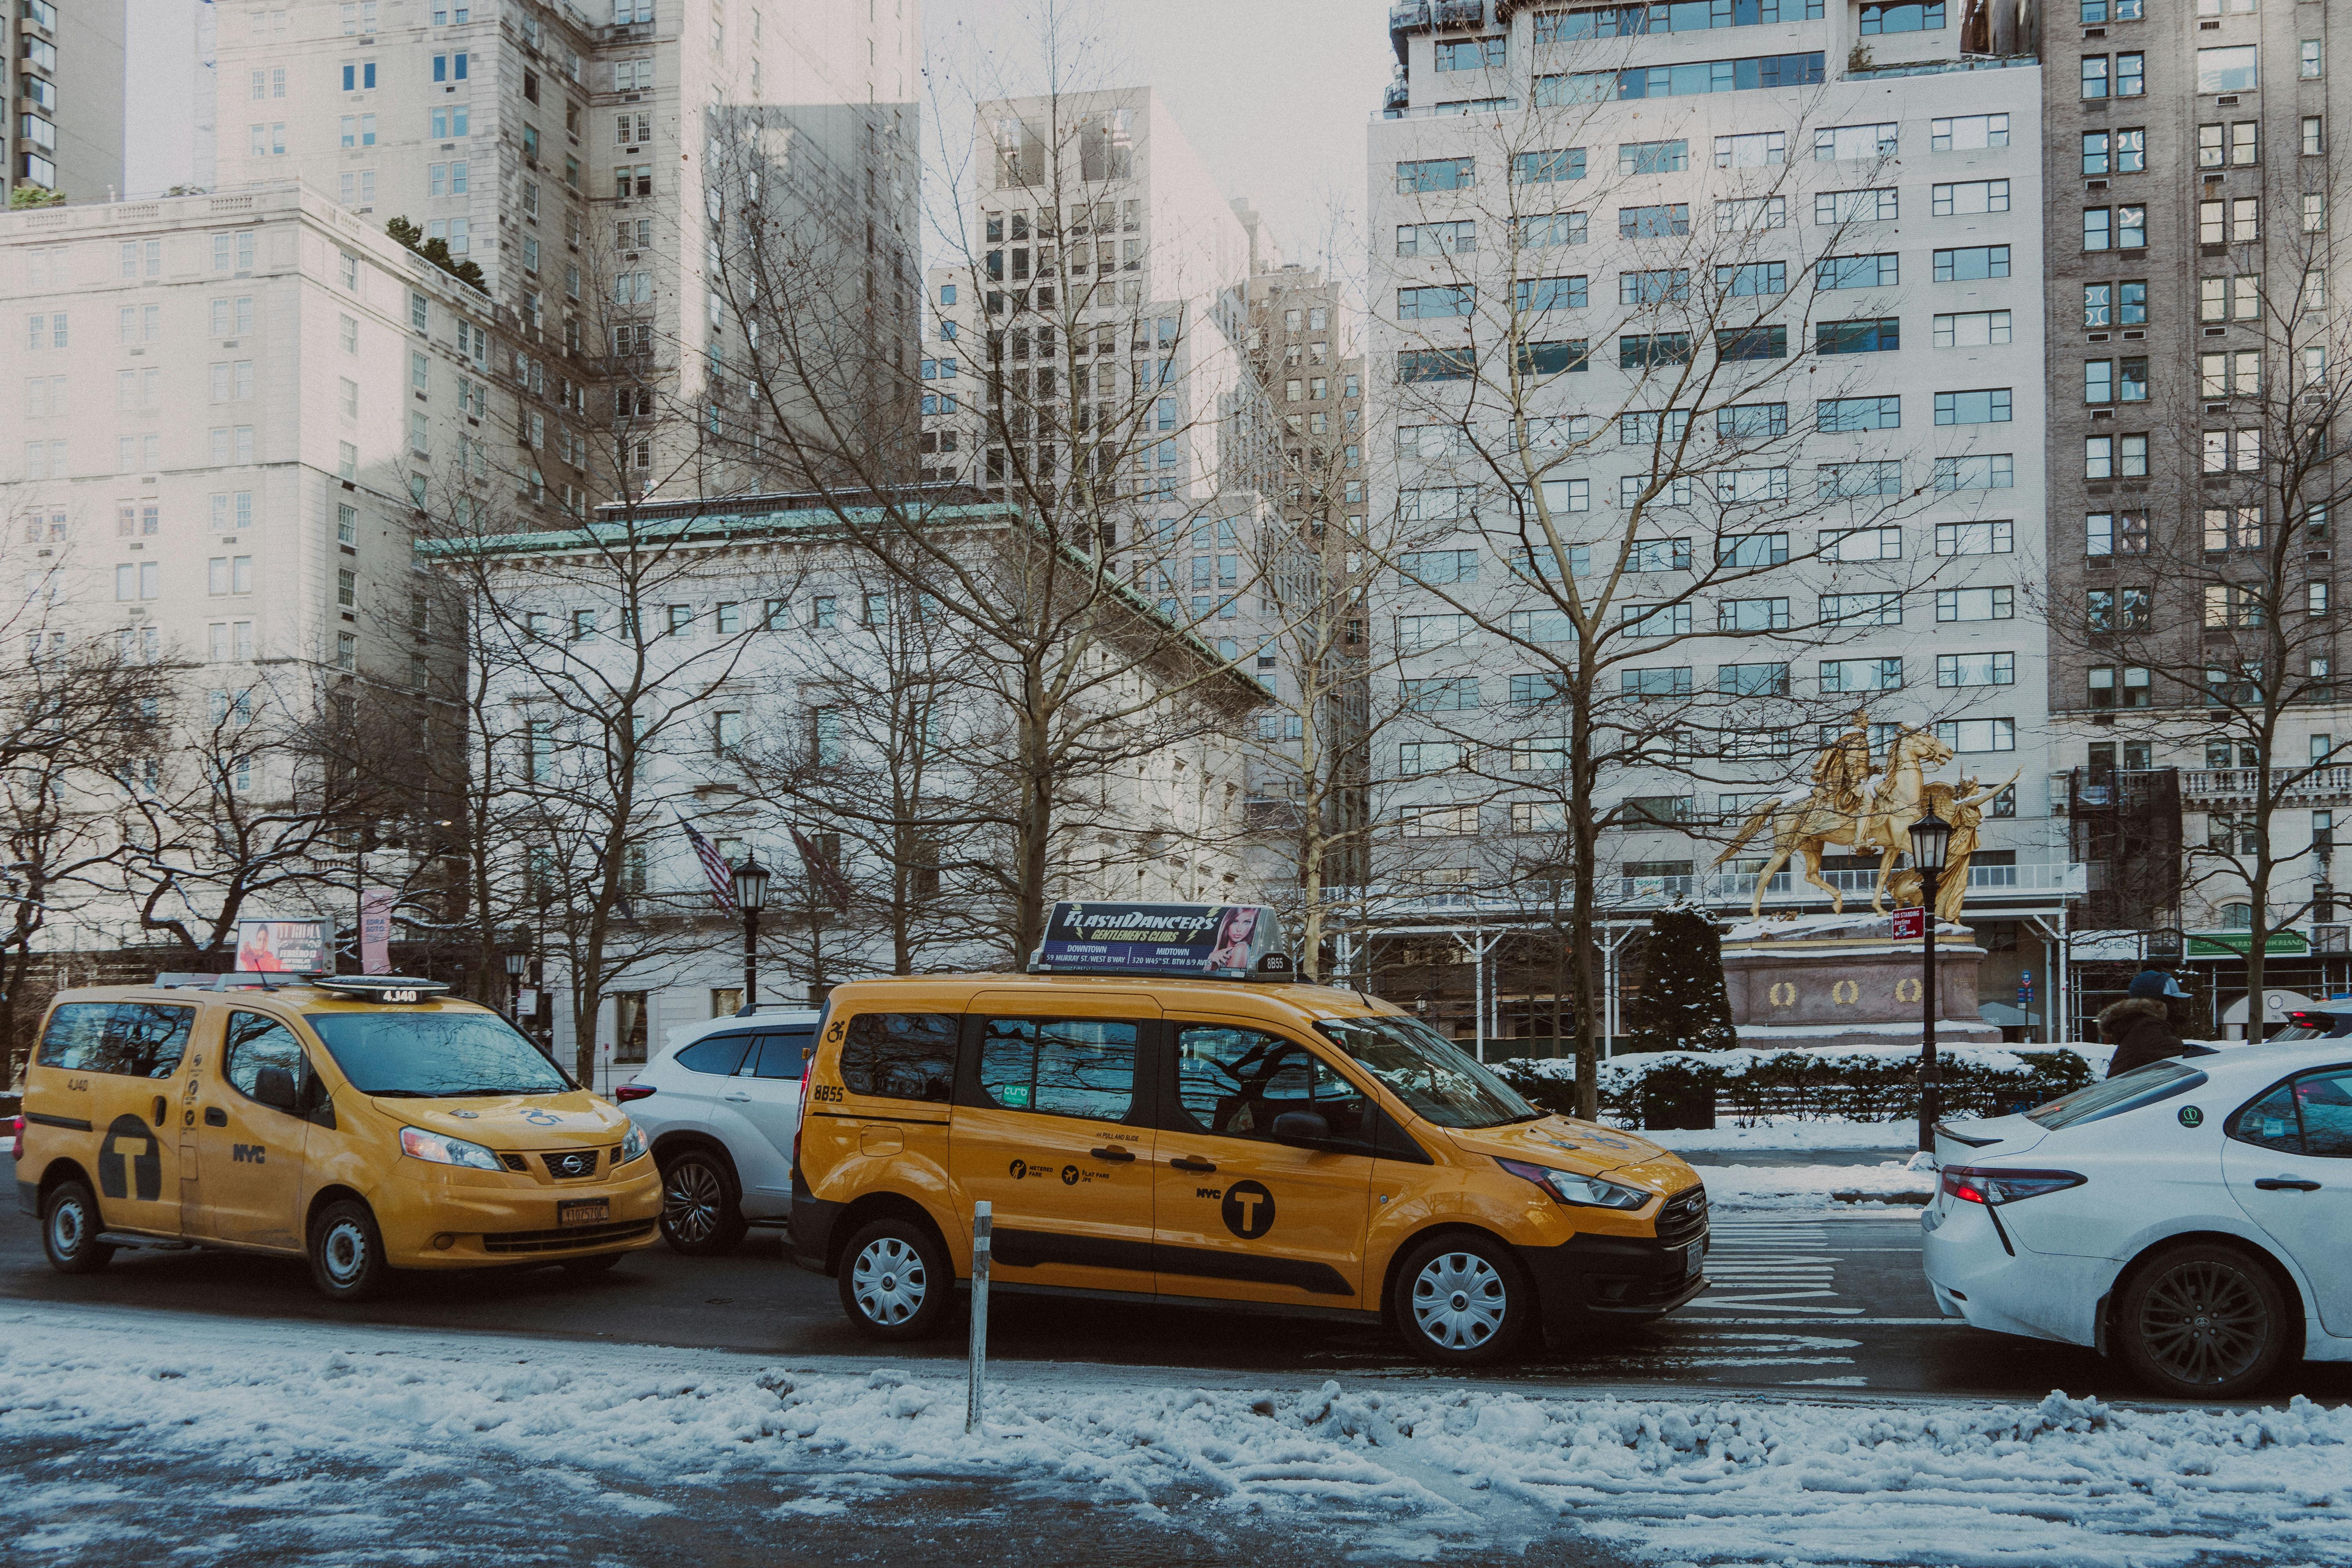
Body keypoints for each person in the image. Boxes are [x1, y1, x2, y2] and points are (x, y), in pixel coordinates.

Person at [2098, 970, 2194, 1078]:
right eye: (2173, 1001)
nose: (2178, 1006)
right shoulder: (2149, 1029)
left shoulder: (2140, 1026)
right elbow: (2186, 1061)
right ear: (2158, 1004)